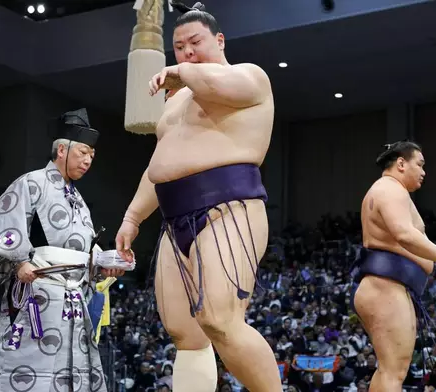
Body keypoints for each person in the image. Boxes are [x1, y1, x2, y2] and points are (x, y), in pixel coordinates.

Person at [115, 2, 279, 391]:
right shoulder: (174, 104)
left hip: (229, 207)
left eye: (195, 42)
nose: (187, 52)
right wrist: (133, 217)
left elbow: (213, 85)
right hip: (174, 218)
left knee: (220, 319)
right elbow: (160, 164)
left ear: (219, 40)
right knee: (184, 332)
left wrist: (181, 71)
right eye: (179, 47)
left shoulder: (248, 76)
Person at [0, 108, 125, 392]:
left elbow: (85, 250)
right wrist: (17, 263)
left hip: (75, 299)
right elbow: (1, 230)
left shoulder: (79, 200)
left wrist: (104, 263)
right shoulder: (31, 183)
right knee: (32, 369)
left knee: (73, 372)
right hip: (40, 294)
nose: (88, 160)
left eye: (92, 155)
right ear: (62, 150)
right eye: (83, 153)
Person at [352, 141, 436, 391]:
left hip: (388, 286)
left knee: (390, 368)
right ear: (401, 163)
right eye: (420, 164)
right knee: (394, 370)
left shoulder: (391, 191)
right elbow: (404, 234)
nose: (424, 171)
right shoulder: (389, 189)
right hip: (385, 285)